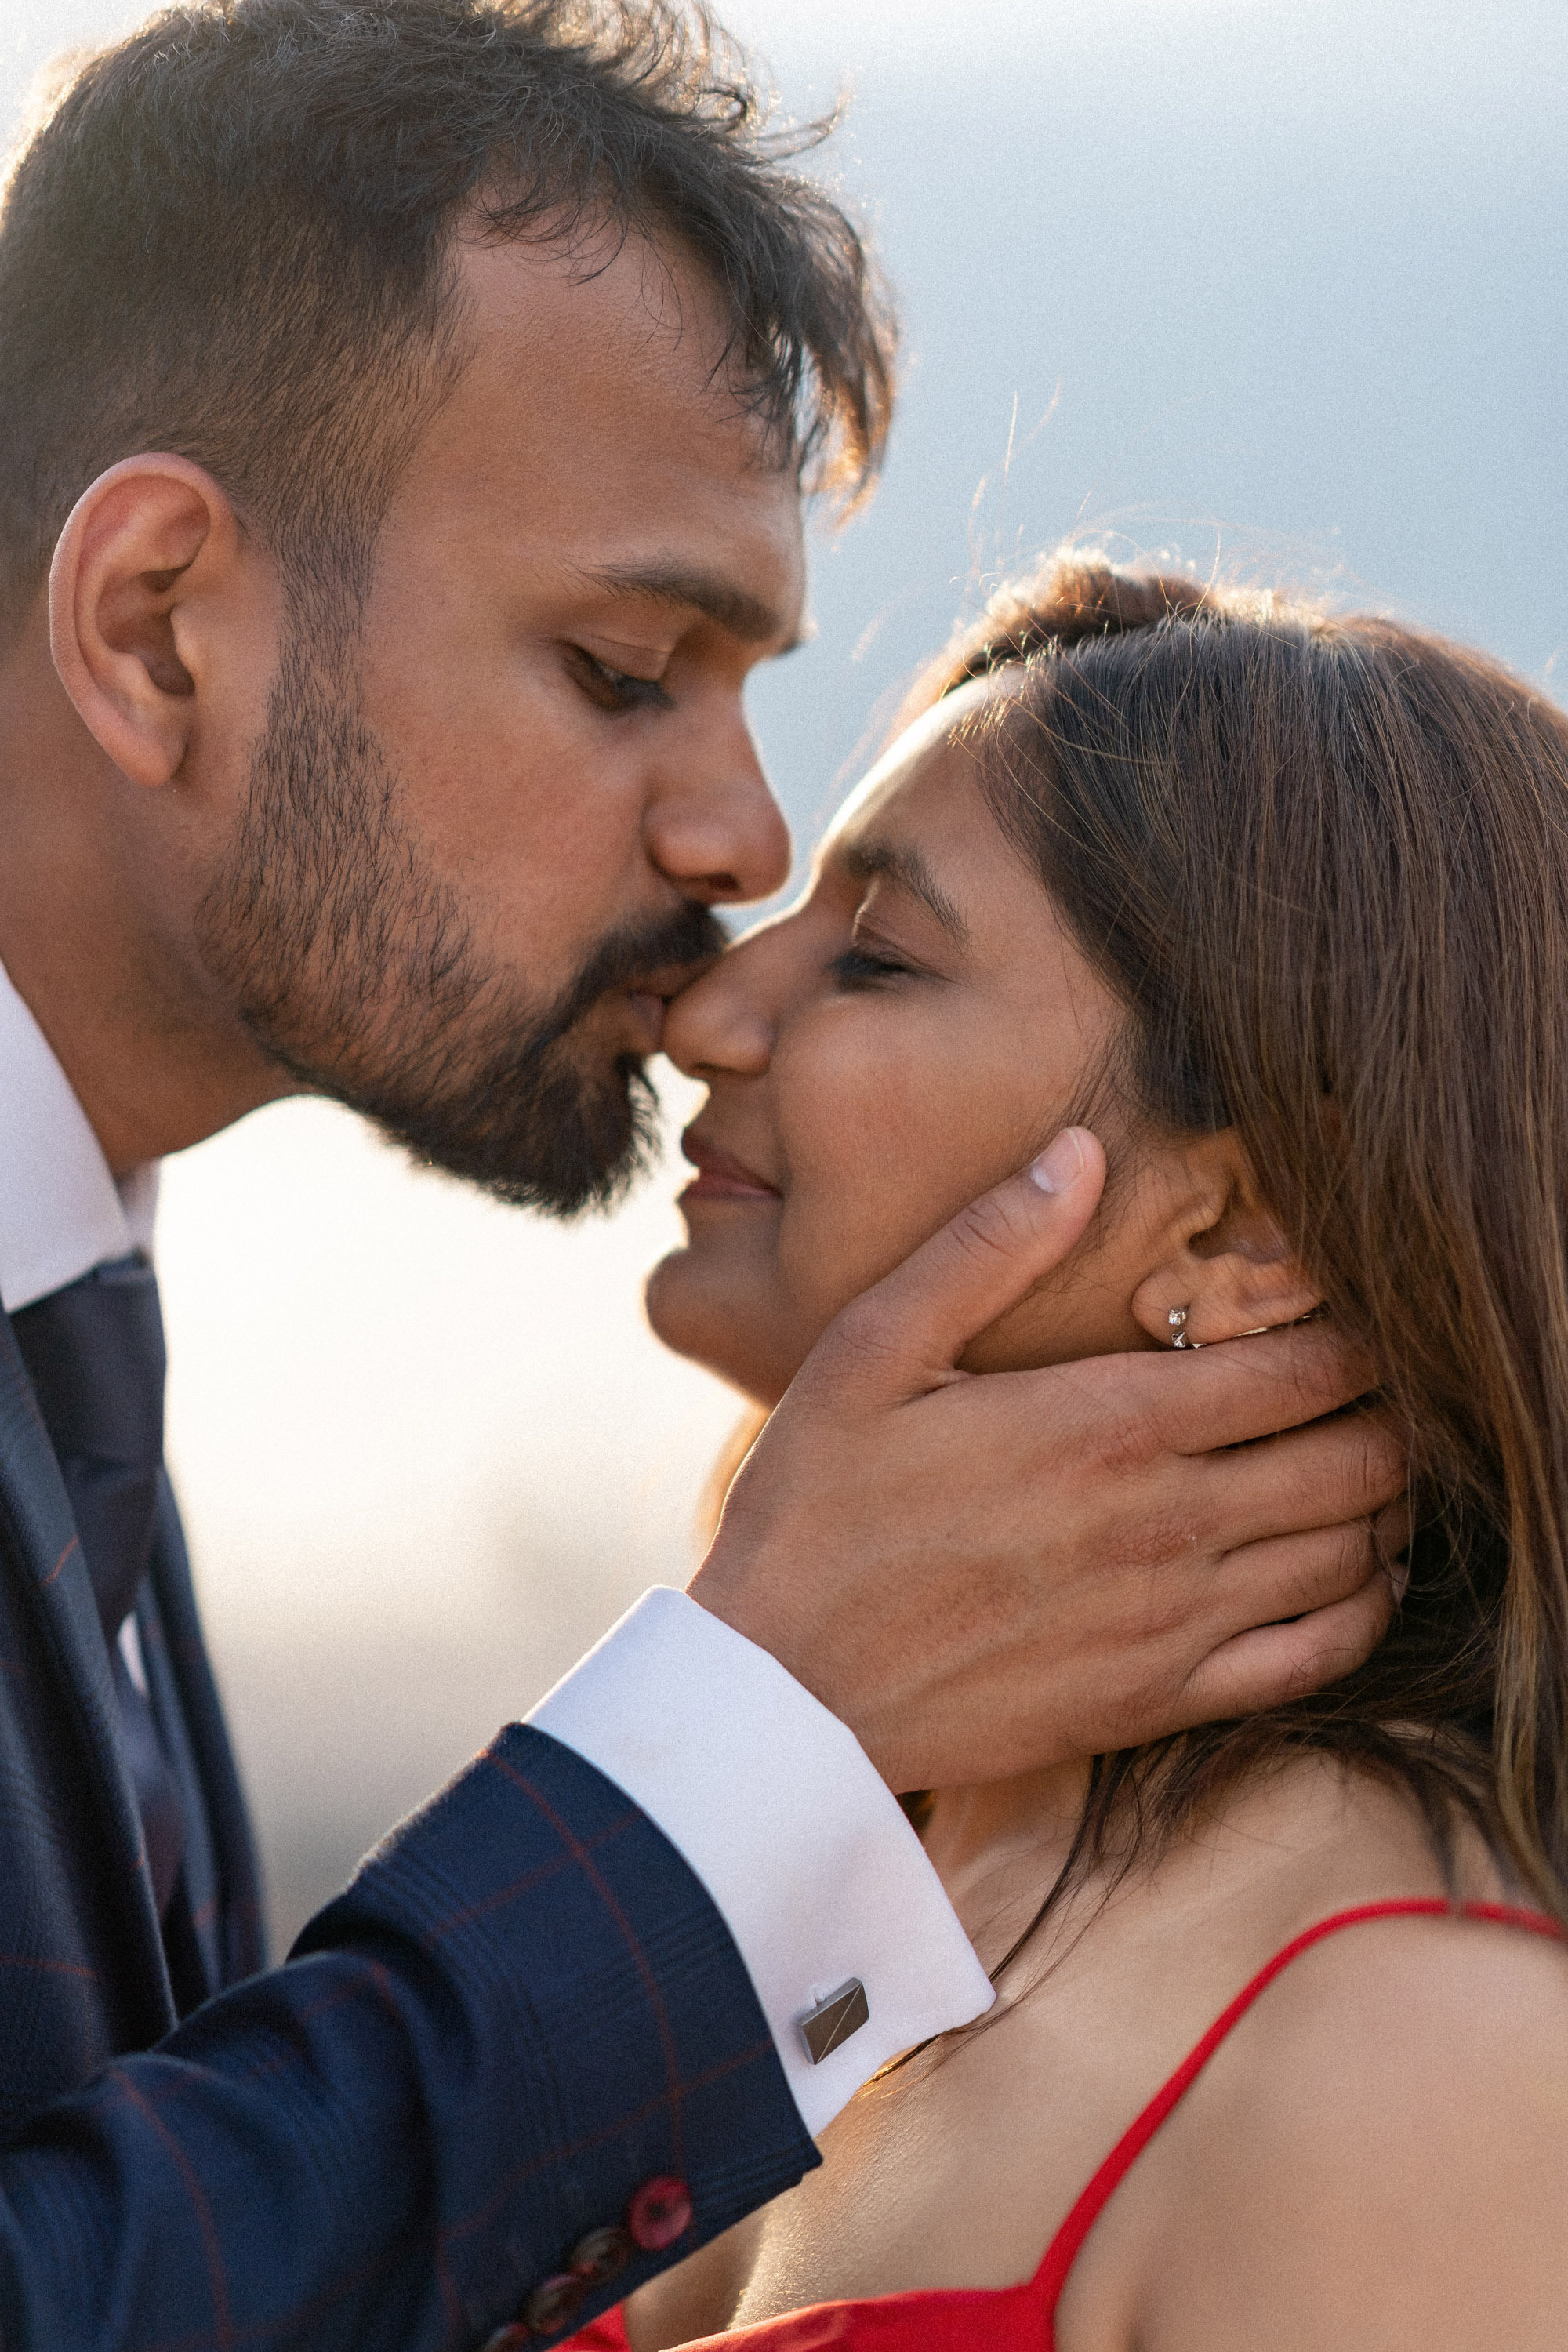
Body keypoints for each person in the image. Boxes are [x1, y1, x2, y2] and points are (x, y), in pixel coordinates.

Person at [0, 6, 1402, 2347]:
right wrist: (749, 1741)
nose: (741, 842)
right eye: (623, 664)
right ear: (156, 628)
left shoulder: (80, 1352)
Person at [562, 560, 1568, 2352]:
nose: (706, 1013)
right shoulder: (792, 1906)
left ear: (1242, 1232)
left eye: (876, 955)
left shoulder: (1423, 2067)